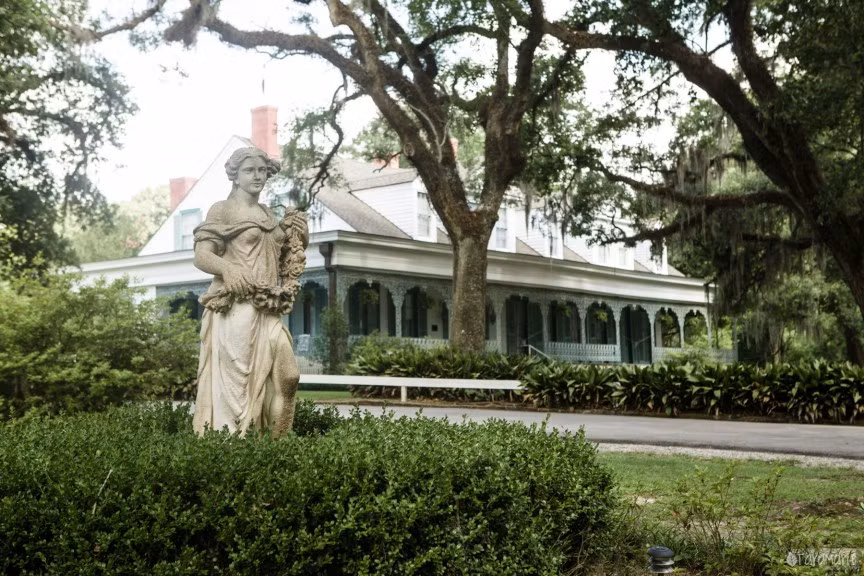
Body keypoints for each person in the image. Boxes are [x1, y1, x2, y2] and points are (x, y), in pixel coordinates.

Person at [191, 146, 308, 436]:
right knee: (237, 393)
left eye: (262, 170)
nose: (258, 176)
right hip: (236, 311)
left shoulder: (267, 213)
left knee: (288, 375)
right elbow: (202, 255)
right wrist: (227, 269)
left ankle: (278, 447)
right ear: (235, 175)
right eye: (250, 170)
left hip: (267, 308)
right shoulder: (223, 210)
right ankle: (234, 444)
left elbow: (275, 256)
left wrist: (290, 231)